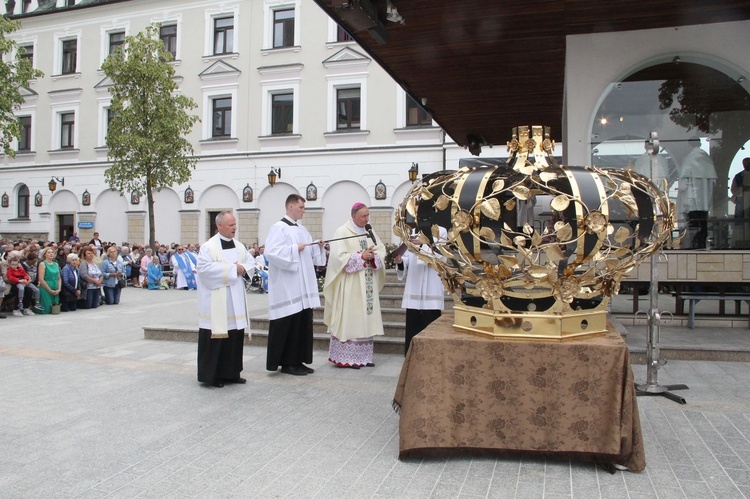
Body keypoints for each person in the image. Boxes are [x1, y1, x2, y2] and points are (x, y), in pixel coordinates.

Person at [264, 194, 326, 376]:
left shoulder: (302, 229)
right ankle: (288, 363)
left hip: (303, 286)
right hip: (287, 287)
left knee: (302, 324)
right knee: (289, 325)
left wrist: (318, 246)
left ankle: (299, 361)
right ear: (290, 207)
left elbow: (309, 250)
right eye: (301, 207)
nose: (303, 211)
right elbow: (271, 253)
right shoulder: (278, 228)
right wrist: (294, 249)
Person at [323, 203, 386, 368]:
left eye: (368, 215)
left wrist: (373, 256)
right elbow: (338, 258)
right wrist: (361, 256)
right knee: (352, 317)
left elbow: (381, 250)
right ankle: (347, 358)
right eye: (363, 216)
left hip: (367, 284)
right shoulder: (342, 232)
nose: (366, 219)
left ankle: (364, 357)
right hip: (350, 285)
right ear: (353, 216)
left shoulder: (369, 231)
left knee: (366, 318)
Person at [196, 211, 254, 387]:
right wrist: (231, 270)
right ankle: (213, 376)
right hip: (216, 303)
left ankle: (232, 373)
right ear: (219, 226)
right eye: (231, 225)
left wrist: (243, 268)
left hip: (235, 300)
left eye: (235, 224)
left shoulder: (239, 246)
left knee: (234, 337)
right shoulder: (208, 247)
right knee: (217, 339)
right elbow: (203, 270)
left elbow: (251, 262)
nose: (234, 228)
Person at [394, 227, 447, 355]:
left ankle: (430, 357)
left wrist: (423, 244)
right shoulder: (411, 232)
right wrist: (400, 261)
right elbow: (407, 258)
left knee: (431, 326)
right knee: (413, 327)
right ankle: (410, 357)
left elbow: (441, 257)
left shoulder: (441, 231)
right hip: (415, 286)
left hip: (432, 288)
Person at [678, 137, 718, 249]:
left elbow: (683, 185)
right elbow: (714, 181)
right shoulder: (707, 158)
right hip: (705, 202)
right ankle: (702, 244)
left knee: (694, 224)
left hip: (693, 202)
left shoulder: (689, 159)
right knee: (703, 223)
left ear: (689, 144)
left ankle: (695, 245)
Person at [730, 157, 750, 242]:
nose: (746, 165)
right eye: (745, 164)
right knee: (741, 223)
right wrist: (742, 188)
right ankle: (741, 241)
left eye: (748, 164)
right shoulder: (738, 176)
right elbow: (733, 189)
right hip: (742, 201)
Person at [37, 247, 61, 314]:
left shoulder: (56, 264)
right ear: (45, 254)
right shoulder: (42, 264)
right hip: (46, 286)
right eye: (49, 252)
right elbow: (41, 279)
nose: (51, 254)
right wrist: (50, 290)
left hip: (55, 285)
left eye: (52, 252)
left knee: (55, 309)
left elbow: (59, 278)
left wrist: (59, 289)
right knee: (46, 310)